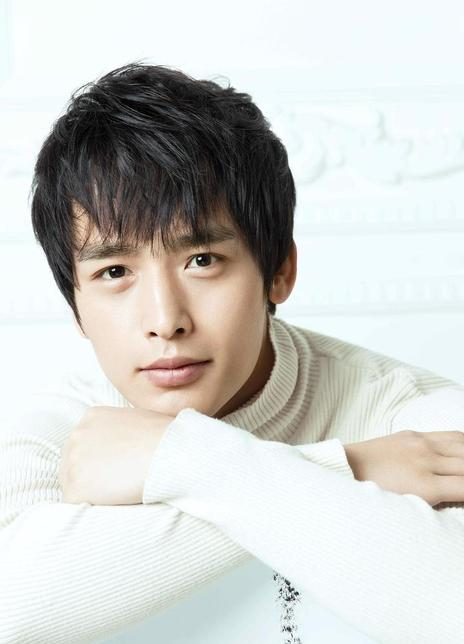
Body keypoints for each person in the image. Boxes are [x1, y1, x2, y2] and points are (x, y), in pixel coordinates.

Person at [1, 62, 464, 644]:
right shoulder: (59, 430)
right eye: (114, 272)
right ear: (74, 306)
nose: (165, 321)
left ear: (279, 271)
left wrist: (185, 461)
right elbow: (12, 608)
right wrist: (348, 467)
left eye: (202, 261)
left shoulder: (415, 419)